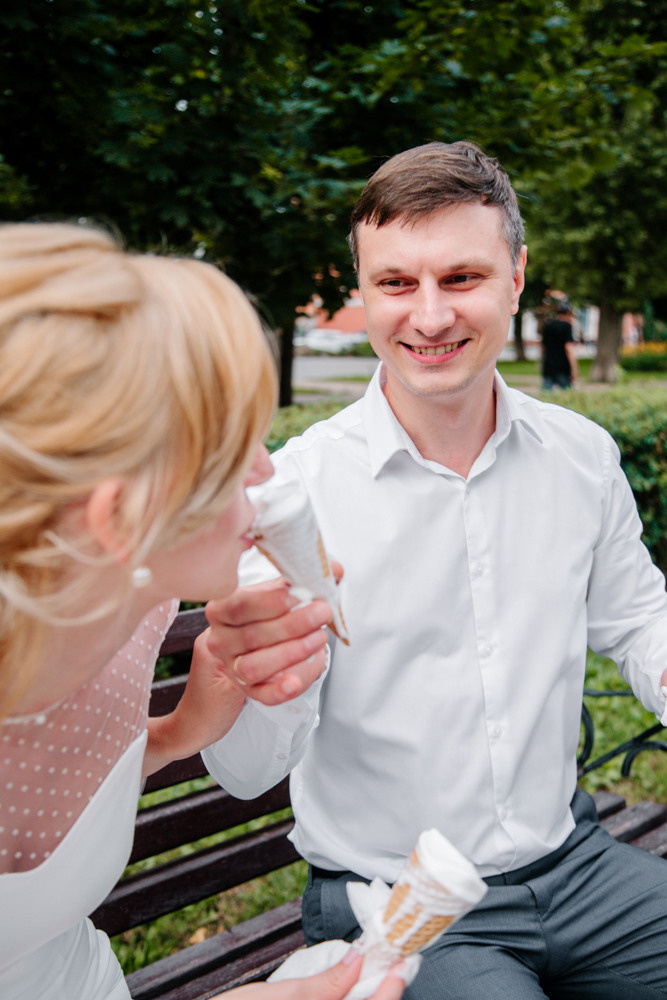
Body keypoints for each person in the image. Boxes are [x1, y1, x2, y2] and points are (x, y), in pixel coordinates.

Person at [200, 141, 667, 999]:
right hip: (394, 902)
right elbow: (245, 771)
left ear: (516, 276)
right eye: (395, 283)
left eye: (460, 279)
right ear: (362, 291)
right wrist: (248, 682)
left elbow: (637, 621)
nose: (428, 315)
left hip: (575, 866)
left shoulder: (580, 457)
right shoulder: (294, 495)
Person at [0, 222, 407, 1000]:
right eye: (231, 450)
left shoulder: (136, 609)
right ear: (117, 523)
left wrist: (188, 726)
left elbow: (67, 768)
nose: (267, 468)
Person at [540, 301, 578, 390]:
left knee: (546, 395)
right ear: (568, 313)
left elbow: (543, 347)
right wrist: (574, 368)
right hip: (563, 367)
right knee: (567, 394)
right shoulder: (567, 327)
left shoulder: (548, 326)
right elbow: (568, 348)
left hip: (548, 365)